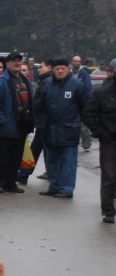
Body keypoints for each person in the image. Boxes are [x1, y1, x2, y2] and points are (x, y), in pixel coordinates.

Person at [34, 58, 87, 199]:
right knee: (51, 160)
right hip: (49, 129)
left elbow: (84, 106)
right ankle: (54, 186)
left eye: (63, 68)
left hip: (69, 129)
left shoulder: (77, 85)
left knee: (68, 161)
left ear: (68, 69)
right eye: (57, 68)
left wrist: (80, 123)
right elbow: (37, 104)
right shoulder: (46, 84)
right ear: (53, 70)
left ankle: (66, 189)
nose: (60, 71)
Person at [0, 52, 34, 194]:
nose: (17, 63)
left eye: (19, 61)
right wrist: (2, 120)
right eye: (14, 61)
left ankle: (11, 183)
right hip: (6, 125)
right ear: (7, 63)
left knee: (16, 156)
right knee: (1, 156)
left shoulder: (25, 80)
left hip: (21, 124)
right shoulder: (1, 81)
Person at [82, 59, 116, 223]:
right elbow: (88, 114)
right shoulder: (103, 92)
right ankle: (108, 211)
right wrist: (100, 132)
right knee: (109, 175)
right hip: (110, 140)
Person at [18, 59, 54, 184]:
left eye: (42, 66)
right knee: (39, 149)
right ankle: (24, 174)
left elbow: (42, 101)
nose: (39, 69)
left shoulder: (47, 82)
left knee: (40, 150)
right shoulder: (45, 81)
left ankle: (24, 174)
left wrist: (33, 106)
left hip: (45, 122)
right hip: (43, 122)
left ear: (49, 67)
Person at [71, 55, 93, 151]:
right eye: (76, 61)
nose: (77, 63)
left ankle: (86, 144)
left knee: (83, 125)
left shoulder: (84, 73)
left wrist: (87, 101)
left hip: (82, 102)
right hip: (71, 102)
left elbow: (88, 88)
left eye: (79, 61)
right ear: (72, 62)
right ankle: (72, 142)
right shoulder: (69, 73)